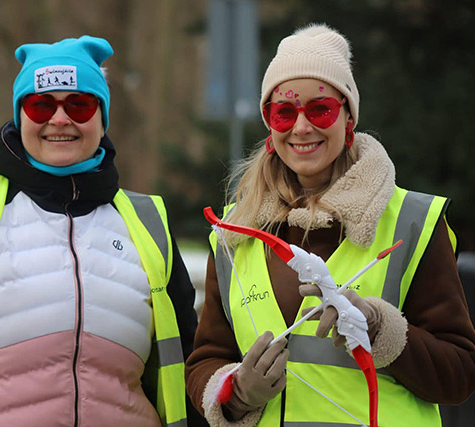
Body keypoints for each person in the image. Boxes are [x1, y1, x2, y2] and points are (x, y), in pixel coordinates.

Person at [0, 36, 205, 427]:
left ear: (102, 117)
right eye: (41, 104)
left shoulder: (147, 220)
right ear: (20, 115)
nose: (60, 119)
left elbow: (187, 360)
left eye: (79, 105)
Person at [185, 23, 475, 426]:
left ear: (348, 117)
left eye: (320, 109)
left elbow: (460, 375)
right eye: (284, 112)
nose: (302, 128)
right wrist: (236, 393)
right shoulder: (236, 231)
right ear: (269, 125)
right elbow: (206, 360)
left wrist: (379, 329)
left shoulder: (413, 222)